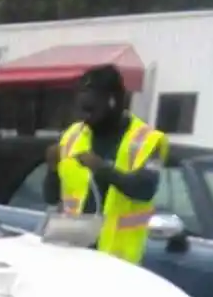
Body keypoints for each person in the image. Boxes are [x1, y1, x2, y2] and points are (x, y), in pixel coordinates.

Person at [43, 64, 168, 264]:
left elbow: (145, 189)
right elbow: (51, 197)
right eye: (81, 109)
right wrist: (51, 169)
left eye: (91, 109)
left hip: (117, 261)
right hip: (72, 255)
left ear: (112, 101)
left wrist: (102, 168)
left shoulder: (147, 140)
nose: (85, 117)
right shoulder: (73, 135)